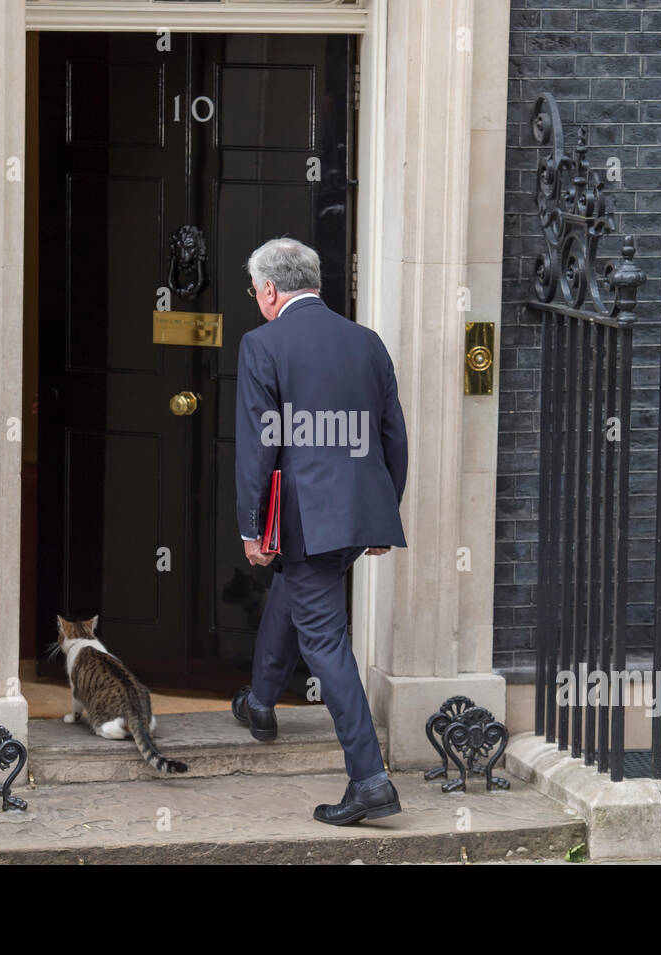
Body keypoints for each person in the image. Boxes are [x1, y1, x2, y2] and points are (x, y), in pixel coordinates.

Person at [232, 237, 408, 825]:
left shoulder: (263, 343)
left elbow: (261, 445)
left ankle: (370, 779)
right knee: (299, 589)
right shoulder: (367, 342)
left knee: (326, 642)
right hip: (354, 516)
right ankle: (260, 701)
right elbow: (393, 437)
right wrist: (382, 515)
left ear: (270, 290)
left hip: (305, 519)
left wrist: (251, 527)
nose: (257, 298)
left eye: (256, 290)